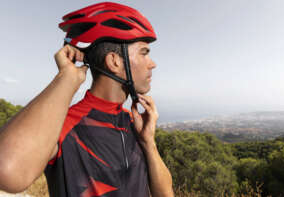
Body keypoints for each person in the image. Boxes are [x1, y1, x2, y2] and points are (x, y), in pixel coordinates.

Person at [0, 2, 174, 197]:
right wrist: (67, 78)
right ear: (114, 62)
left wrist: (148, 142)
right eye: (144, 53)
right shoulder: (66, 125)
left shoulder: (134, 123)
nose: (153, 64)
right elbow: (6, 169)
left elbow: (166, 194)